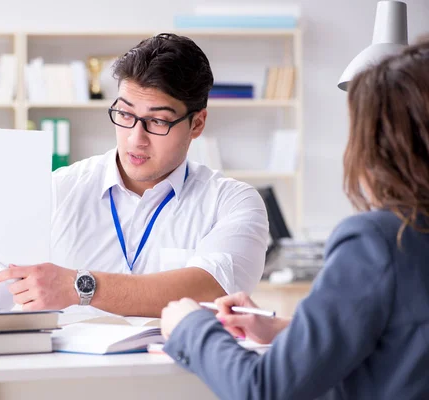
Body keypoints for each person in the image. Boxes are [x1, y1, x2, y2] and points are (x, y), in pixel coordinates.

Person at [0, 33, 269, 318]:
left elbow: (209, 288)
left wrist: (80, 287)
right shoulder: (59, 188)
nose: (136, 138)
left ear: (197, 123)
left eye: (157, 122)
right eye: (125, 114)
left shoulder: (231, 202)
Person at [160, 40, 429, 399]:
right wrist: (291, 331)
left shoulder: (378, 242)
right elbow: (403, 342)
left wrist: (190, 328)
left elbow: (263, 389)